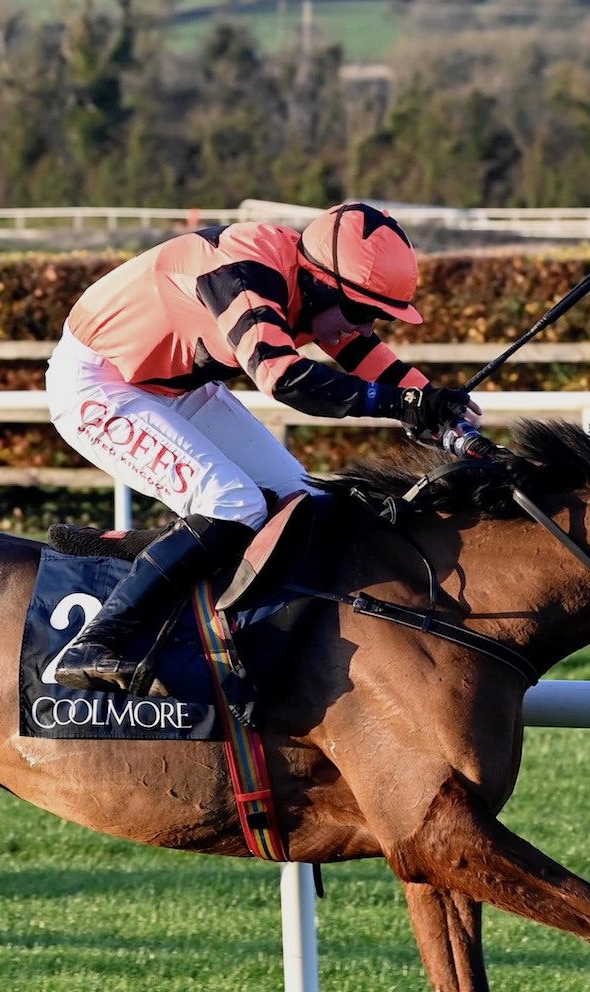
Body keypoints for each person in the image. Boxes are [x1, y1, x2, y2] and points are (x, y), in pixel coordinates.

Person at [45, 201, 480, 693]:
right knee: (234, 503)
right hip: (99, 383)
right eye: (362, 312)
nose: (366, 327)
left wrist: (443, 413)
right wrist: (403, 404)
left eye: (379, 317)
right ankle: (96, 643)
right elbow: (286, 379)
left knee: (305, 505)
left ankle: (140, 550)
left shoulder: (312, 282)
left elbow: (361, 353)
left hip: (172, 387)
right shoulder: (246, 275)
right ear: (320, 282)